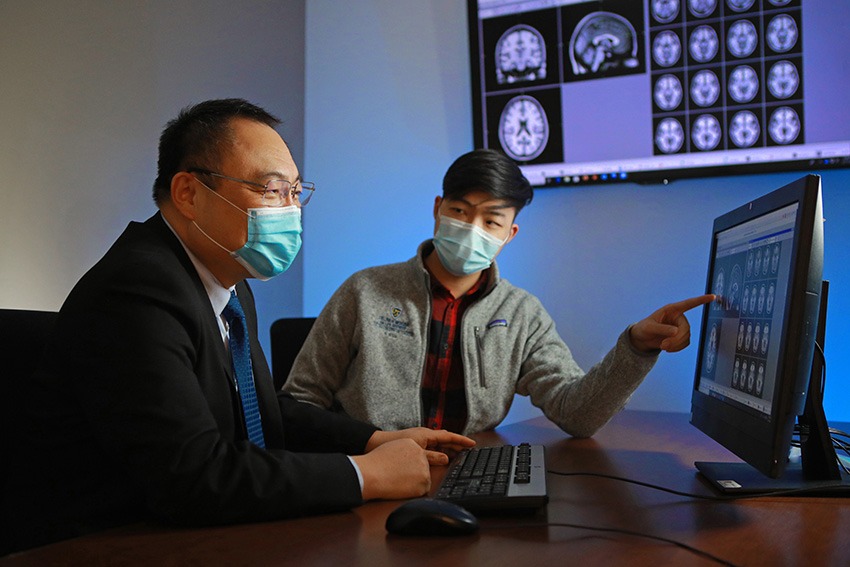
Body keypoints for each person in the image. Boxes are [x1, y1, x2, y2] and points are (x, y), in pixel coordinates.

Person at [1, 99, 472, 554]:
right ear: (188, 193)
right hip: (102, 543)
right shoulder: (136, 289)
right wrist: (364, 475)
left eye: (295, 192)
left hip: (196, 530)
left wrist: (373, 440)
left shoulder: (226, 280)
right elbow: (192, 478)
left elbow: (264, 411)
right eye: (271, 190)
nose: (290, 210)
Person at [283, 149, 714, 436]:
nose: (472, 228)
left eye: (491, 221)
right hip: (369, 470)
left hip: (469, 476)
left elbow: (576, 413)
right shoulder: (365, 291)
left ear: (510, 233)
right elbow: (300, 402)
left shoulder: (523, 314)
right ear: (437, 209)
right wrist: (371, 444)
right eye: (459, 211)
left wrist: (636, 347)